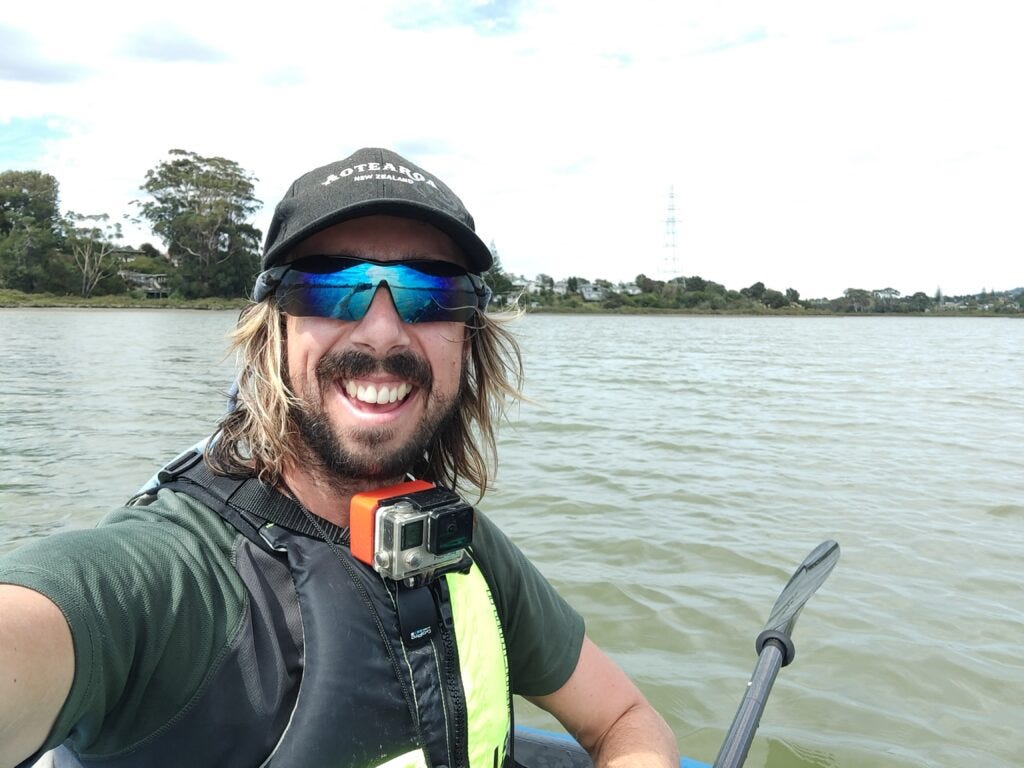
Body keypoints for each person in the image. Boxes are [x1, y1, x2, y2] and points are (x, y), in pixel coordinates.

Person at [0, 147, 678, 768]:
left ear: (467, 344)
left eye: (430, 291)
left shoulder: (460, 550)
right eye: (328, 284)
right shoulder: (167, 579)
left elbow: (625, 716)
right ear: (275, 330)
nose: (383, 329)